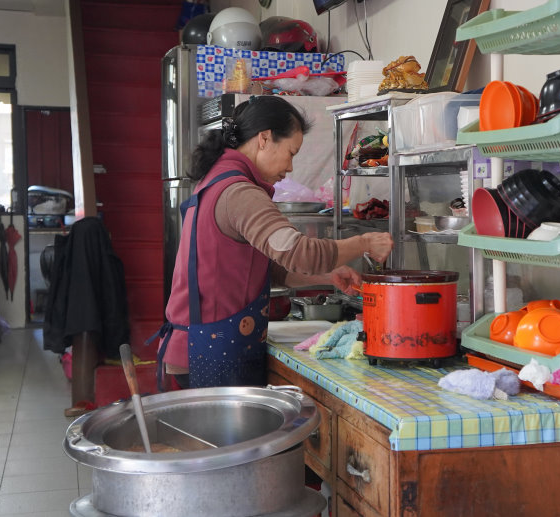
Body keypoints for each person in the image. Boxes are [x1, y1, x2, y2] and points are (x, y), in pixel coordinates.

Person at [152, 95, 393, 389]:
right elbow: (300, 252)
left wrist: (327, 275)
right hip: (208, 350)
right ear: (264, 138)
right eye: (291, 152)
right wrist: (364, 242)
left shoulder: (220, 180)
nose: (290, 167)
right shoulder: (240, 193)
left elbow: (267, 267)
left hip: (202, 345)